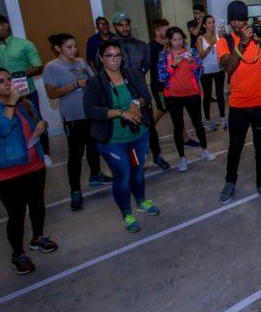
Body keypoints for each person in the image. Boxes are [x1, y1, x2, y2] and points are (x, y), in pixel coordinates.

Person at [0, 68, 58, 274]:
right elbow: (2, 129)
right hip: (6, 173)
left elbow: (37, 122)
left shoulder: (25, 104)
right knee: (16, 214)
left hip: (34, 165)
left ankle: (38, 237)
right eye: (0, 81)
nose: (7, 84)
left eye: (9, 80)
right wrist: (11, 102)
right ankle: (18, 254)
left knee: (38, 205)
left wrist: (42, 124)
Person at [84, 40, 160, 233]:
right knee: (123, 175)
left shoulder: (133, 74)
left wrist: (136, 102)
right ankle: (127, 214)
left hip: (138, 135)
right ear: (101, 58)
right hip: (113, 140)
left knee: (138, 171)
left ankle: (141, 202)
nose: (115, 60)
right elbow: (91, 110)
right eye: (109, 56)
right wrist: (121, 113)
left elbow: (146, 97)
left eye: (118, 55)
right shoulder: (95, 82)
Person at [217, 0, 261, 205]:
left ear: (247, 20)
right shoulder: (225, 41)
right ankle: (230, 182)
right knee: (235, 146)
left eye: (240, 20)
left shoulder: (259, 37)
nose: (236, 24)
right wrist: (243, 43)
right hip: (239, 104)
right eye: (232, 20)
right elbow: (228, 67)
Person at [43, 34, 110, 211]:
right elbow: (51, 93)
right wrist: (75, 85)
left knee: (94, 145)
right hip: (73, 116)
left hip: (91, 112)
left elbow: (93, 81)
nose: (74, 50)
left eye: (75, 46)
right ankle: (75, 190)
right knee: (75, 154)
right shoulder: (52, 67)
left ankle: (96, 175)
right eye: (69, 47)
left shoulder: (80, 62)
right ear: (58, 48)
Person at [0, 14, 51, 166]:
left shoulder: (24, 44)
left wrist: (16, 78)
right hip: (0, 97)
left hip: (26, 92)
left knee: (37, 122)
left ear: (6, 25)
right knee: (8, 125)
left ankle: (44, 153)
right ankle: (16, 154)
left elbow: (38, 67)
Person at [110, 12, 171, 170]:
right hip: (120, 94)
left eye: (127, 24)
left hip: (141, 91)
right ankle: (129, 164)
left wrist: (136, 80)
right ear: (114, 27)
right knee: (126, 129)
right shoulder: (109, 47)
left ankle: (157, 156)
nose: (125, 28)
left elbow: (146, 65)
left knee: (149, 125)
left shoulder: (141, 45)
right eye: (120, 25)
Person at [158, 27, 216, 171]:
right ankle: (182, 158)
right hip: (173, 97)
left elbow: (200, 72)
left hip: (192, 95)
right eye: (174, 40)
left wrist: (191, 62)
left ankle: (205, 150)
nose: (178, 42)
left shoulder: (192, 52)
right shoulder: (164, 55)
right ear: (169, 41)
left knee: (198, 124)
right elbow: (161, 77)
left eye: (180, 39)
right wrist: (173, 64)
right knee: (178, 127)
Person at [197, 15, 227, 130]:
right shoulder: (200, 38)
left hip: (219, 69)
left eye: (213, 22)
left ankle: (223, 119)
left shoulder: (219, 35)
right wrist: (210, 45)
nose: (212, 24)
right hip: (206, 72)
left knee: (220, 95)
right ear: (204, 25)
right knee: (207, 95)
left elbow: (225, 49)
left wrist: (223, 35)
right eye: (209, 22)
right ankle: (208, 121)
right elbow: (201, 55)